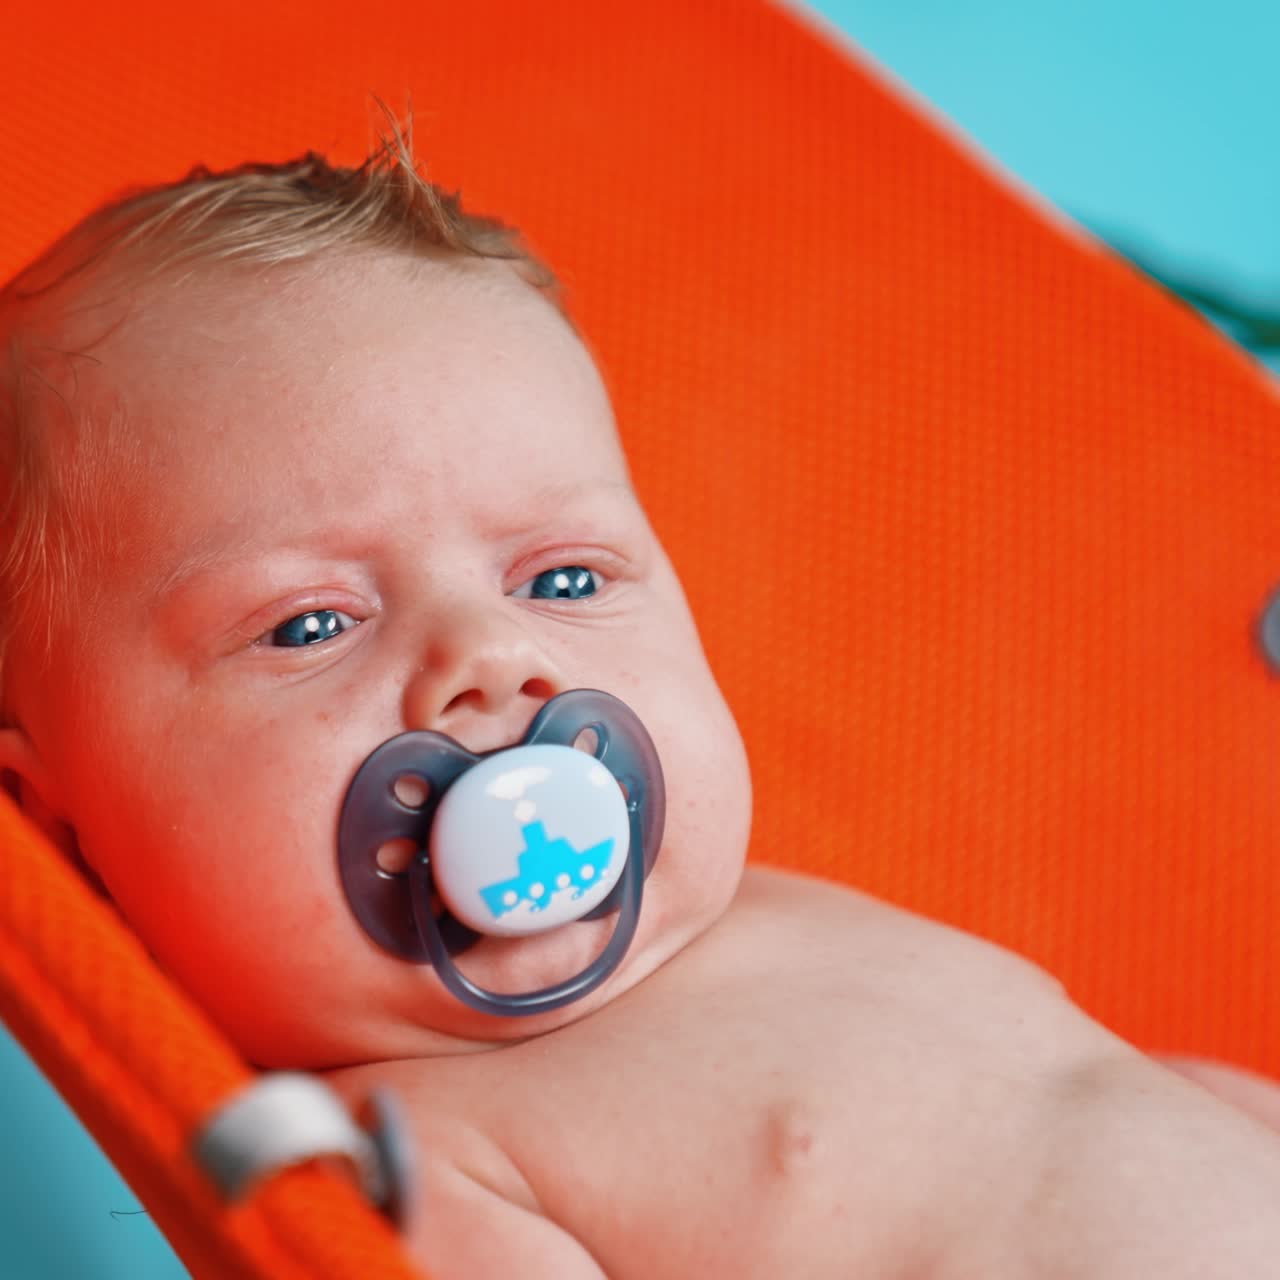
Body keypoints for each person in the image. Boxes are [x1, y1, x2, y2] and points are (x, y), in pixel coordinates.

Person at [2, 128, 1279, 1279]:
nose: (491, 656)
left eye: (560, 578)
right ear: (58, 831)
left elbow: (1081, 1102)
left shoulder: (768, 912)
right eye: (308, 624)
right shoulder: (394, 1156)